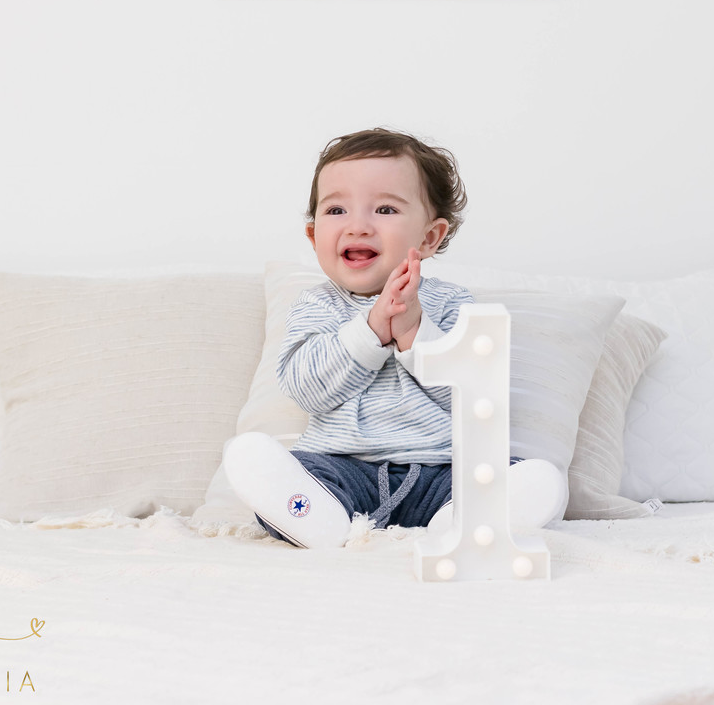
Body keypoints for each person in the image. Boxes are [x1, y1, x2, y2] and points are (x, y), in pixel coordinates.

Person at [222, 128, 564, 548]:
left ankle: (457, 523)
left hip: (445, 470)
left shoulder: (452, 303)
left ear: (429, 237)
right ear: (314, 237)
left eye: (384, 209)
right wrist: (371, 331)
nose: (358, 226)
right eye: (336, 211)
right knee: (280, 466)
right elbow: (307, 390)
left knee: (531, 476)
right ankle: (316, 518)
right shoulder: (317, 306)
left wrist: (412, 333)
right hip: (344, 468)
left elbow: (474, 398)